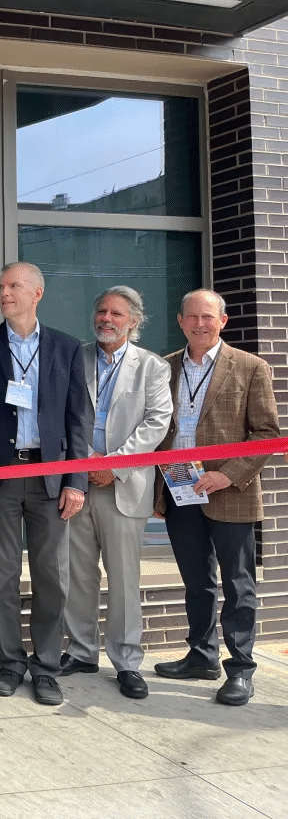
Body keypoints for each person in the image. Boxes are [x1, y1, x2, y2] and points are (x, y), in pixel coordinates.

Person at [0, 262, 92, 706]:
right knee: (0, 576)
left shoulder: (67, 348)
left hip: (50, 478)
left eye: (14, 286)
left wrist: (76, 481)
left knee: (52, 576)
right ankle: (10, 663)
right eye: (1, 286)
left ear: (37, 293)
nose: (5, 293)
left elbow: (79, 420)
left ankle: (46, 667)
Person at [153, 289, 280, 706]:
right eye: (191, 317)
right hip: (179, 491)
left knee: (238, 584)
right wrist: (160, 491)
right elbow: (161, 433)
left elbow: (266, 436)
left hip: (230, 493)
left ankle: (241, 669)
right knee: (196, 581)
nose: (199, 324)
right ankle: (201, 656)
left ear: (222, 321)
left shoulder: (250, 367)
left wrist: (227, 476)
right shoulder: (165, 367)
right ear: (180, 321)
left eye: (207, 317)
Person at [60, 287, 171, 699]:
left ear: (134, 321)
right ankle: (83, 651)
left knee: (124, 578)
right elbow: (64, 414)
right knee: (78, 573)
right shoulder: (77, 357)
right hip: (78, 484)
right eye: (101, 311)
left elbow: (156, 423)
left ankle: (126, 660)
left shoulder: (153, 367)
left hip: (124, 486)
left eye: (116, 313)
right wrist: (85, 462)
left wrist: (114, 464)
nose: (106, 319)